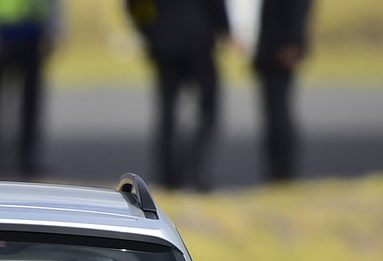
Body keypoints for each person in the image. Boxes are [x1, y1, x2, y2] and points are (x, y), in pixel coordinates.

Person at [126, 0, 229, 191]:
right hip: (199, 40)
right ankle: (198, 170)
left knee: (168, 114)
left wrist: (148, 30)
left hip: (165, 42)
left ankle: (169, 176)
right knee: (208, 110)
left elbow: (137, 5)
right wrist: (224, 28)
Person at [0, 0, 62, 179]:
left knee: (31, 101)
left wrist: (52, 30)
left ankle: (27, 155)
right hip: (1, 34)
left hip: (32, 33)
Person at [251, 0, 313, 182]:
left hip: (279, 51)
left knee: (279, 114)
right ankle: (277, 171)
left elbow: (299, 9)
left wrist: (292, 44)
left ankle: (284, 172)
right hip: (271, 51)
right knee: (274, 113)